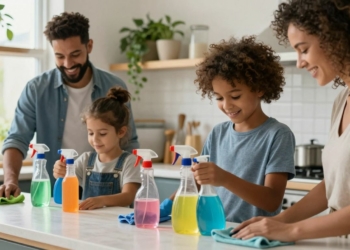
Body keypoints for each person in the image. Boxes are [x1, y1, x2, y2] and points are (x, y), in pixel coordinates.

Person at [232, 0, 350, 241]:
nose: (299, 62)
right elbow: (334, 188)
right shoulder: (342, 101)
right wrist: (278, 220)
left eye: (304, 49)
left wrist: (291, 230)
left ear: (336, 39)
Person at [0, 12, 139, 198]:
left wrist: (128, 192)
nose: (68, 64)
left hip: (105, 195)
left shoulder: (113, 86)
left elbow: (129, 142)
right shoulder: (36, 89)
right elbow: (17, 140)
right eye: (59, 56)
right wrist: (10, 180)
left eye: (75, 54)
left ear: (89, 46)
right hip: (53, 194)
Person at [192, 36, 295, 223]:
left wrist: (225, 179)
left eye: (235, 96)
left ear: (259, 88)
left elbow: (272, 201)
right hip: (216, 231)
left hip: (252, 236)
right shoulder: (218, 134)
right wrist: (165, 206)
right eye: (219, 98)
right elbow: (197, 184)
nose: (227, 105)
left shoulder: (277, 135)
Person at [54, 87, 141, 210]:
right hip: (89, 223)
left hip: (118, 225)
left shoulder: (130, 162)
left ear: (121, 132)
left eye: (102, 133)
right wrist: (61, 171)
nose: (95, 139)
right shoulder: (85, 160)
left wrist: (102, 200)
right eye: (90, 133)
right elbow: (67, 180)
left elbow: (128, 196)